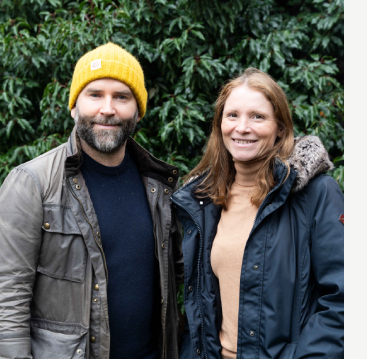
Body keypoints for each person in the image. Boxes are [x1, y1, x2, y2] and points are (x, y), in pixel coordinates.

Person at [0, 43, 183, 359]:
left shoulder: (160, 186)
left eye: (122, 97)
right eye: (95, 94)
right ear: (74, 106)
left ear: (138, 111)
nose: (108, 108)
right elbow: (8, 295)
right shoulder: (31, 183)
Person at [172, 68, 344, 359]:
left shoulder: (317, 194)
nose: (242, 127)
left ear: (280, 127)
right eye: (232, 116)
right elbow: (200, 305)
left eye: (257, 116)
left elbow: (344, 298)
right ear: (220, 125)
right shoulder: (204, 202)